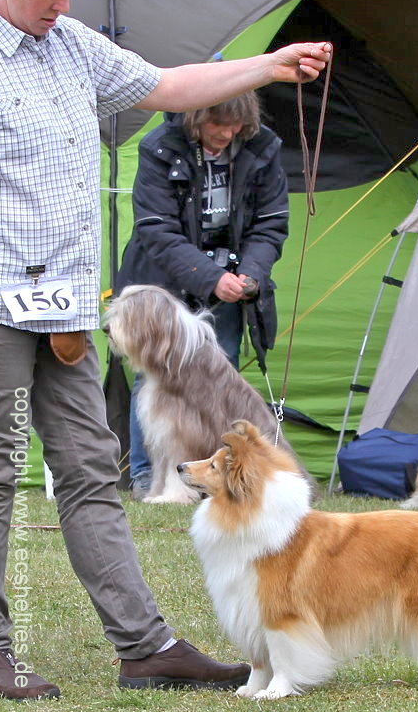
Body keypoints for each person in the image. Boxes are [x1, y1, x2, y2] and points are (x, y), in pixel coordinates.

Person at [0, 0, 331, 701]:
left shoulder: (72, 47)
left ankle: (145, 648)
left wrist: (269, 65)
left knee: (89, 471)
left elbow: (169, 86)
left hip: (64, 309)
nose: (62, 4)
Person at [115, 92, 289, 499]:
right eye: (217, 124)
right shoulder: (159, 146)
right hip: (166, 281)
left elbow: (271, 223)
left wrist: (250, 274)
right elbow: (156, 227)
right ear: (195, 118)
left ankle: (214, 476)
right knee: (153, 374)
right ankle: (147, 476)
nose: (226, 134)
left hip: (228, 286)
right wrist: (210, 277)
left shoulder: (263, 147)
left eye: (235, 126)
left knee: (221, 376)